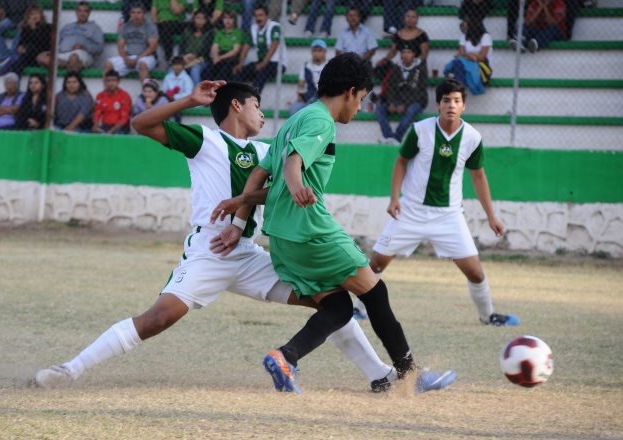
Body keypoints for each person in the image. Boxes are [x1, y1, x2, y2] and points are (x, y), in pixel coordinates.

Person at [34, 80, 401, 393]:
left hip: (250, 254)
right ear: (237, 105)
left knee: (329, 301)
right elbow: (141, 123)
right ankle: (69, 369)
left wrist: (245, 212)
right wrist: (190, 101)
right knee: (158, 318)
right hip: (210, 250)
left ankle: (381, 375)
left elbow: (275, 191)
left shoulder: (267, 151)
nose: (262, 114)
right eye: (257, 106)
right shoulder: (205, 140)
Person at [212, 53, 456, 394]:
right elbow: (293, 165)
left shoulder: (295, 119)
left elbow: (259, 175)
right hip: (311, 231)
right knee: (375, 292)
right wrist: (297, 188)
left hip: (282, 239)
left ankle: (286, 357)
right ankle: (411, 375)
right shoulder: (320, 121)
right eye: (362, 98)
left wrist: (240, 214)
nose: (360, 108)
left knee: (338, 306)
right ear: (350, 91)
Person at [352, 79, 520, 329]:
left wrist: (491, 216)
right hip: (411, 211)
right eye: (446, 100)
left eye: (456, 100)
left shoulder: (472, 137)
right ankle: (358, 309)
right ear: (438, 104)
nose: (451, 105)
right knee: (376, 262)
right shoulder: (420, 130)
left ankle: (488, 316)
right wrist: (395, 198)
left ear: (463, 106)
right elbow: (401, 162)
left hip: (449, 216)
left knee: (475, 272)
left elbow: (478, 177)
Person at [375, 44, 428, 145]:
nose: (405, 55)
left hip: (415, 101)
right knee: (379, 108)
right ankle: (389, 137)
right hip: (398, 100)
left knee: (411, 110)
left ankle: (396, 139)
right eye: (403, 52)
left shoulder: (420, 68)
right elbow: (391, 87)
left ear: (414, 54)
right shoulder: (396, 67)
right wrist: (391, 102)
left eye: (409, 52)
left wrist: (405, 105)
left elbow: (420, 92)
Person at [36, 1, 104, 73]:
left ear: (89, 13)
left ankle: (70, 71)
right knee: (41, 57)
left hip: (80, 53)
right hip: (62, 53)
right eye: (80, 11)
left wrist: (84, 47)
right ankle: (67, 64)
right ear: (76, 12)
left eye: (85, 11)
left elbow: (100, 48)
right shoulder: (67, 27)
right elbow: (57, 42)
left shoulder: (94, 28)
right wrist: (56, 49)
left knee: (73, 57)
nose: (82, 13)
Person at [233, 4, 287, 94]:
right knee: (240, 71)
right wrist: (240, 63)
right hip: (262, 62)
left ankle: (252, 97)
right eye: (256, 16)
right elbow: (246, 46)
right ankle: (234, 95)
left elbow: (274, 45)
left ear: (267, 16)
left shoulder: (274, 27)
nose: (258, 18)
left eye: (261, 15)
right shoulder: (253, 28)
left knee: (262, 72)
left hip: (278, 63)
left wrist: (263, 63)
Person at [104, 2, 159, 83]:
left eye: (139, 12)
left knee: (142, 65)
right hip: (129, 57)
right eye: (133, 12)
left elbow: (152, 47)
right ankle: (107, 90)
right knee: (108, 64)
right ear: (130, 14)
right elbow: (120, 46)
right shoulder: (125, 27)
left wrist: (137, 59)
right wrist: (126, 59)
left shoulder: (150, 26)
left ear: (144, 14)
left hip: (146, 57)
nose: (136, 15)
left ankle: (146, 90)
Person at [375, 9, 430, 80]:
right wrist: (384, 60)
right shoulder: (398, 34)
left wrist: (413, 64)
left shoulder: (421, 34)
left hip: (417, 65)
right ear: (404, 18)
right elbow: (392, 51)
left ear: (417, 20)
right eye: (408, 16)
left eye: (413, 17)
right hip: (403, 64)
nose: (410, 19)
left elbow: (424, 55)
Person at [0, 5, 50, 76]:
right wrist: (20, 48)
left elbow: (43, 42)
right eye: (32, 14)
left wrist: (33, 28)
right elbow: (22, 41)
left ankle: (10, 62)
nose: (34, 16)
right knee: (19, 63)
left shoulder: (48, 27)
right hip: (28, 56)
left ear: (41, 15)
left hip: (40, 55)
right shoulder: (26, 29)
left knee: (30, 47)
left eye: (36, 13)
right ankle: (14, 77)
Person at [444, 19, 493, 96]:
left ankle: (457, 89)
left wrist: (469, 56)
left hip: (481, 66)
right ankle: (459, 90)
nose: (463, 23)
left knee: (459, 63)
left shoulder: (485, 36)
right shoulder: (464, 36)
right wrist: (471, 55)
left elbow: (482, 57)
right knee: (458, 63)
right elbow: (460, 54)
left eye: (466, 22)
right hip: (467, 63)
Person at [201, 9, 243, 82]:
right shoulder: (219, 33)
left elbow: (235, 51)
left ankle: (222, 89)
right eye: (225, 18)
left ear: (234, 20)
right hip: (220, 55)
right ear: (222, 20)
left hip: (231, 58)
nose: (228, 20)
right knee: (207, 72)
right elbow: (214, 47)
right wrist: (215, 56)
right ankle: (209, 89)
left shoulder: (238, 33)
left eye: (230, 18)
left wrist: (220, 58)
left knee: (224, 72)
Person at [288, 39, 327, 117]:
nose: (317, 53)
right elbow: (301, 83)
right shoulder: (306, 66)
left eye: (320, 50)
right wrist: (300, 95)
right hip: (310, 98)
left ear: (325, 52)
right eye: (315, 50)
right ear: (311, 52)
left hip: (325, 99)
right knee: (293, 108)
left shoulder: (330, 65)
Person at [179, 9, 213, 86]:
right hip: (186, 58)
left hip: (202, 59)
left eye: (202, 18)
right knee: (174, 68)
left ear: (206, 20)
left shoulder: (210, 33)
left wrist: (195, 56)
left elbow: (207, 49)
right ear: (193, 19)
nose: (200, 21)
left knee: (195, 70)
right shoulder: (187, 31)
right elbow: (181, 47)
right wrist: (183, 57)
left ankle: (196, 91)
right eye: (197, 18)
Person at [92, 69, 132, 135]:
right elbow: (97, 113)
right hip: (105, 126)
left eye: (114, 80)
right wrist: (95, 126)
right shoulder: (100, 96)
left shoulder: (125, 96)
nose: (111, 83)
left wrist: (111, 131)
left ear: (118, 82)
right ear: (105, 82)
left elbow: (124, 118)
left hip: (121, 128)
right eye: (109, 81)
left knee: (117, 135)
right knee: (92, 134)